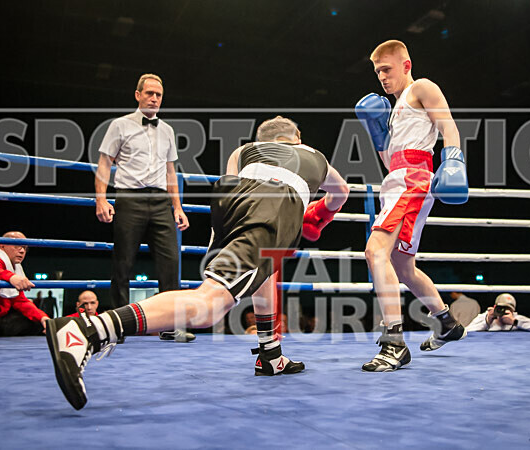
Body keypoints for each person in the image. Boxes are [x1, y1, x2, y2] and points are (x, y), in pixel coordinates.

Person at [46, 116, 350, 409]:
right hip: (273, 200)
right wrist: (318, 215)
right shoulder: (314, 155)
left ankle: (270, 355)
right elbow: (340, 193)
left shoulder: (242, 152)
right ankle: (87, 330)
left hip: (230, 202)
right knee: (210, 306)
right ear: (297, 139)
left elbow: (232, 181)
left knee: (263, 271)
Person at [355, 39, 466, 372]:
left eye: (386, 69)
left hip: (413, 178)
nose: (382, 77)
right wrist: (377, 133)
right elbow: (391, 160)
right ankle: (446, 322)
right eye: (377, 72)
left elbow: (448, 125)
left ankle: (394, 342)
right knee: (402, 265)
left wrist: (454, 161)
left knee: (375, 251)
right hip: (398, 177)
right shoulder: (394, 110)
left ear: (405, 65)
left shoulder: (421, 87)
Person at [95, 73, 193, 343]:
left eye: (158, 94)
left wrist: (178, 207)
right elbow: (105, 163)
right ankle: (117, 325)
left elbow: (170, 171)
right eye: (149, 93)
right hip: (130, 198)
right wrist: (101, 199)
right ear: (137, 95)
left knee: (171, 263)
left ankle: (170, 325)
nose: (154, 98)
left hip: (161, 202)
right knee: (123, 263)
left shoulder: (168, 130)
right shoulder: (119, 125)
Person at [465, 293, 530, 332]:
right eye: (501, 308)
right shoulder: (486, 316)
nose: (503, 311)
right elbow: (467, 330)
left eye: (507, 308)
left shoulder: (515, 318)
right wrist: (487, 322)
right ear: (495, 307)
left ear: (513, 311)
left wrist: (515, 322)